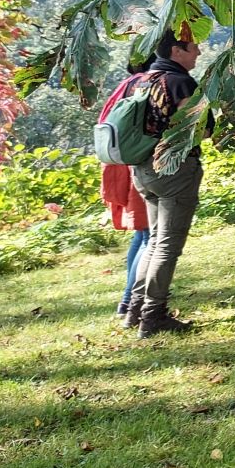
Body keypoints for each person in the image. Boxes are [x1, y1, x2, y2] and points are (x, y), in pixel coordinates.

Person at [124, 30, 206, 338]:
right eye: (193, 45)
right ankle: (153, 315)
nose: (198, 51)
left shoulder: (138, 81)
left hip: (142, 169)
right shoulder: (179, 83)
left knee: (155, 240)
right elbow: (201, 130)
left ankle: (134, 309)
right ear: (176, 50)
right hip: (174, 170)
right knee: (167, 245)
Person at [99, 58, 152, 318]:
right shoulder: (146, 84)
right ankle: (130, 300)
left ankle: (127, 299)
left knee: (141, 235)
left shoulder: (126, 84)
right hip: (137, 164)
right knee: (150, 236)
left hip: (120, 164)